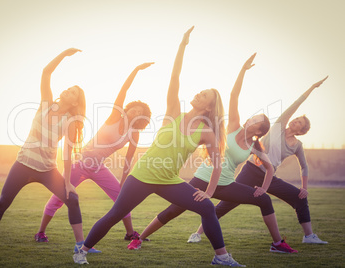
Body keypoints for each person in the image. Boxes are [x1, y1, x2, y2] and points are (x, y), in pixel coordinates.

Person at [73, 26, 245, 267]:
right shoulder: (174, 111)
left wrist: (210, 190)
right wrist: (182, 46)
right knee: (115, 215)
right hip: (142, 175)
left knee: (207, 206)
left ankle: (221, 257)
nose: (199, 94)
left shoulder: (205, 132)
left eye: (204, 95)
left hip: (168, 180)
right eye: (201, 91)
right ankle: (82, 250)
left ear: (208, 107)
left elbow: (218, 162)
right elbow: (175, 77)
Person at [128, 53, 297, 254]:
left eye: (256, 122)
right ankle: (140, 238)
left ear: (260, 130)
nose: (251, 121)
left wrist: (264, 188)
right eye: (252, 118)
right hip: (203, 179)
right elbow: (234, 96)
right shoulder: (233, 125)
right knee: (174, 210)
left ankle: (277, 244)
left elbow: (269, 168)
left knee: (264, 199)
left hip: (225, 184)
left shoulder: (254, 147)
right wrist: (243, 70)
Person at [0, 48, 86, 258]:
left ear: (76, 102)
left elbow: (67, 154)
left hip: (48, 169)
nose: (68, 90)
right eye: (68, 88)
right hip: (23, 164)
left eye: (73, 92)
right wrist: (63, 55)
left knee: (73, 199)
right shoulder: (46, 104)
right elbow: (46, 73)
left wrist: (67, 182)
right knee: (4, 201)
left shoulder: (69, 122)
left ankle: (81, 245)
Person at [34, 63, 154, 253]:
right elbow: (124, 90)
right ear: (128, 108)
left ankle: (130, 233)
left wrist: (123, 182)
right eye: (134, 109)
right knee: (60, 197)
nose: (134, 113)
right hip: (80, 163)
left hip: (98, 167)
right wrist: (136, 71)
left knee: (121, 198)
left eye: (139, 113)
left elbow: (128, 160)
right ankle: (40, 232)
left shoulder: (134, 133)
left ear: (142, 118)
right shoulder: (115, 115)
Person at [214, 76, 329, 244]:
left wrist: (304, 188)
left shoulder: (297, 145)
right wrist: (312, 87)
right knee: (230, 202)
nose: (295, 121)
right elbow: (296, 103)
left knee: (300, 198)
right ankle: (199, 231)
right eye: (296, 119)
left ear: (302, 130)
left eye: (299, 123)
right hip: (251, 171)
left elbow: (304, 167)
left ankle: (309, 236)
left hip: (270, 175)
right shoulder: (279, 125)